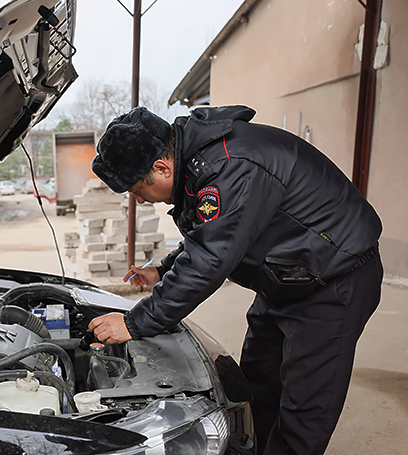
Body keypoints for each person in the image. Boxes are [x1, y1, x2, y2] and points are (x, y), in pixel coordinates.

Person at [88, 105, 382, 455]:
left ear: (161, 168)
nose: (140, 199)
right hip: (288, 276)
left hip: (333, 280)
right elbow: (209, 234)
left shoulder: (229, 168)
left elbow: (211, 258)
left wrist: (135, 322)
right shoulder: (196, 161)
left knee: (304, 410)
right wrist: (164, 270)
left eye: (138, 190)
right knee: (258, 382)